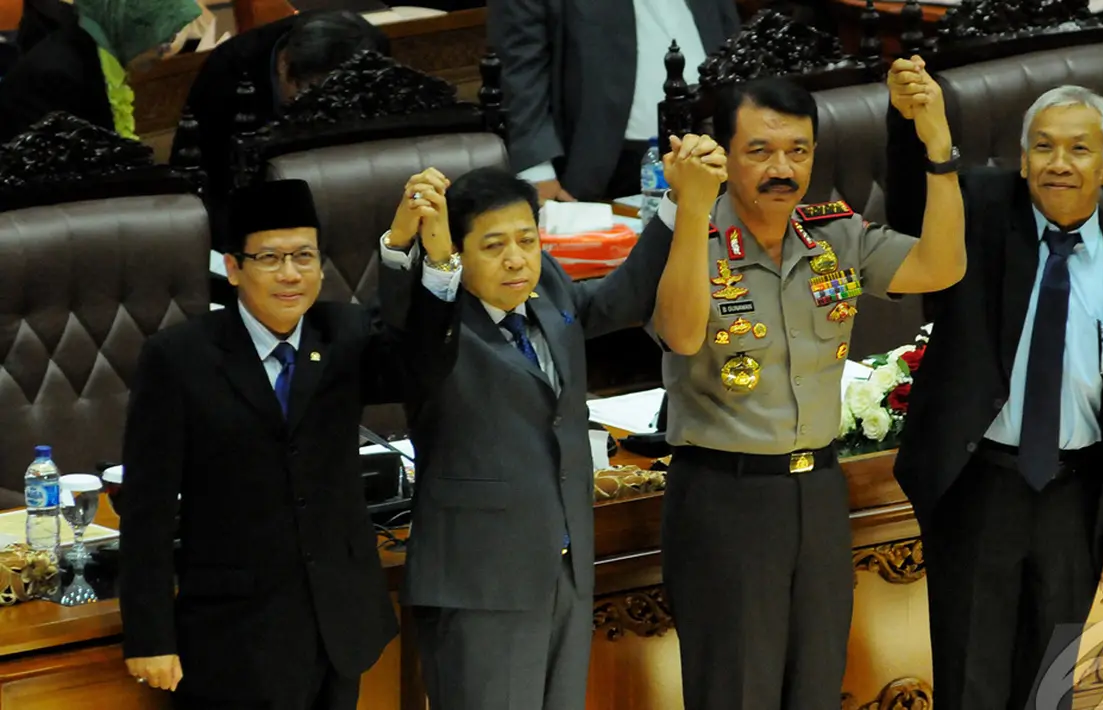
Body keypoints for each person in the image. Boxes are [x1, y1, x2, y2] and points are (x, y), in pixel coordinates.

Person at [648, 75, 964, 710]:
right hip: (725, 496)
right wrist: (689, 209)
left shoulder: (835, 235)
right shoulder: (689, 235)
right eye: (760, 151)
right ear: (725, 153)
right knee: (736, 693)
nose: (781, 169)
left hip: (818, 491)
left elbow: (942, 265)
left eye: (798, 150)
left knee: (817, 687)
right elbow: (681, 336)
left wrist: (938, 147)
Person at [385, 141, 725, 710]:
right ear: (456, 256)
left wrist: (677, 204)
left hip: (566, 565)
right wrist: (407, 246)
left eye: (526, 240)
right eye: (493, 247)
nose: (517, 259)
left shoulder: (548, 291)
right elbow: (404, 321)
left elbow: (619, 298)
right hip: (482, 584)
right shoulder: (433, 332)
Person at [884, 62, 1103, 710]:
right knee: (970, 685)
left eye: (1078, 148)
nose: (1058, 162)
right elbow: (913, 198)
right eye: (1042, 146)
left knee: (1049, 690)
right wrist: (916, 123)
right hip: (978, 489)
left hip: (1073, 503)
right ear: (1021, 160)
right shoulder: (982, 216)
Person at [119, 178, 461, 709]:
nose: (290, 274)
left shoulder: (341, 332)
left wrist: (423, 256)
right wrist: (149, 636)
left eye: (304, 256)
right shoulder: (178, 359)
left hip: (339, 626)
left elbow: (419, 366)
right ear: (233, 268)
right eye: (270, 258)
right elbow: (148, 508)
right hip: (235, 634)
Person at [487, 0, 739, 202]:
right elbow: (521, 70)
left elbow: (731, 39)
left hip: (711, 151)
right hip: (603, 164)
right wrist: (537, 171)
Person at [170, 11, 390, 211]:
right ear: (283, 64)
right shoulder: (229, 70)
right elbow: (202, 174)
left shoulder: (369, 49)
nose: (323, 107)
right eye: (310, 92)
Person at [0, 0, 201, 142]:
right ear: (130, 26)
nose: (165, 49)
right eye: (163, 35)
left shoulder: (91, 53)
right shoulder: (58, 76)